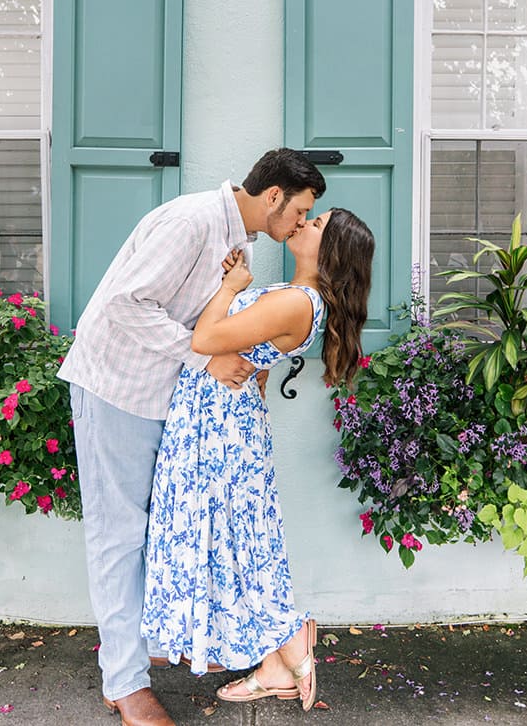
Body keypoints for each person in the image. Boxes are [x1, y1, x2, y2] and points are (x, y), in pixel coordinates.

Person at [58, 148, 327, 726]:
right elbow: (126, 303)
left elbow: (221, 321)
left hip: (165, 397)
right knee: (118, 535)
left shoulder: (243, 243)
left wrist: (245, 366)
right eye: (300, 210)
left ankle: (141, 651)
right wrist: (202, 359)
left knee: (156, 530)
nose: (302, 224)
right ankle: (126, 685)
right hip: (118, 387)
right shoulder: (191, 221)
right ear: (274, 195)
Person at [141, 208, 375, 712]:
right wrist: (236, 283)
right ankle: (278, 660)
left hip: (218, 425)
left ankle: (289, 642)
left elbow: (204, 341)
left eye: (317, 224)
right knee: (240, 538)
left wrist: (232, 287)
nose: (304, 222)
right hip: (220, 416)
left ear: (330, 250)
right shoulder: (289, 296)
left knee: (236, 540)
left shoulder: (296, 301)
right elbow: (243, 346)